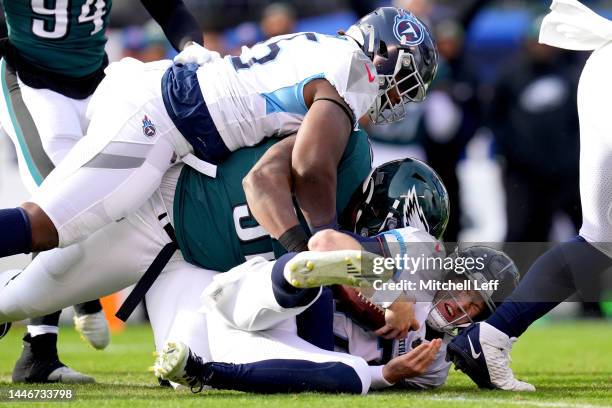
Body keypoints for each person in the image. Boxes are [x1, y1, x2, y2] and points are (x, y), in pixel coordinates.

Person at [0, 7, 437, 262]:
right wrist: (325, 237)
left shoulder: (328, 46)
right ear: (384, 58)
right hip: (160, 119)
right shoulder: (353, 75)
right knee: (47, 225)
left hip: (173, 119)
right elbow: (311, 166)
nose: (399, 98)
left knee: (66, 227)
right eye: (405, 82)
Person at [0, 0, 207, 384]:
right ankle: (40, 347)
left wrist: (192, 47)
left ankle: (174, 338)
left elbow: (172, 12)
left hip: (97, 86)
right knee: (57, 207)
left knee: (127, 205)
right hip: (32, 86)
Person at [446, 0, 612, 392]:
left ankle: (490, 337)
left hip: (602, 70)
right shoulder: (513, 74)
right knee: (598, 237)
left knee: (599, 240)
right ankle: (490, 336)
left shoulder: (566, 71)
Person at [153, 233, 519, 394]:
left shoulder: (435, 367)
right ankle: (297, 278)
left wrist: (388, 375)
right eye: (465, 292)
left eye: (475, 309)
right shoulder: (421, 260)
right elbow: (326, 243)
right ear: (451, 273)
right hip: (250, 300)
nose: (462, 308)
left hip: (288, 354)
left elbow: (378, 377)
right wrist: (393, 295)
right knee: (308, 287)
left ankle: (201, 372)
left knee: (356, 376)